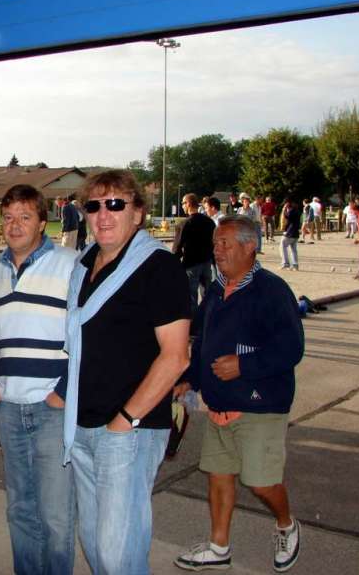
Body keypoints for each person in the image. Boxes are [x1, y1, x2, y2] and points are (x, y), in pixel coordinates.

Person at [63, 169, 191, 575]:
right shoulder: (84, 263)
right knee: (96, 544)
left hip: (128, 431)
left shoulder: (159, 268)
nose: (104, 214)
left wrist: (124, 419)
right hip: (82, 425)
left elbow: (176, 356)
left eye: (116, 204)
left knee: (118, 552)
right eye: (94, 205)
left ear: (138, 213)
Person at [174, 215, 304, 573]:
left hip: (260, 406)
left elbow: (292, 348)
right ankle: (218, 547)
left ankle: (286, 525)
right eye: (216, 244)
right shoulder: (216, 289)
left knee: (261, 483)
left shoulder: (272, 290)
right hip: (220, 405)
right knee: (218, 475)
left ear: (250, 247)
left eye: (225, 244)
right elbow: (201, 342)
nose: (217, 251)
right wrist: (190, 378)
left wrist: (243, 366)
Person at [0, 184, 77, 575]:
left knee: (55, 515)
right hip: (9, 408)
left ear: (42, 222)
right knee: (20, 509)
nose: (14, 225)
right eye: (8, 217)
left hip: (52, 409)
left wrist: (62, 392)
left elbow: (86, 335)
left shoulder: (71, 265)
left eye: (24, 217)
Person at [173, 193, 216, 313]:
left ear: (188, 204)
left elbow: (177, 246)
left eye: (183, 203)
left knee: (191, 296)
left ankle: (194, 323)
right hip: (207, 262)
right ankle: (207, 317)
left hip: (191, 264)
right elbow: (214, 242)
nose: (182, 206)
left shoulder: (185, 224)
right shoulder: (209, 222)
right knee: (207, 293)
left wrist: (174, 263)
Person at [280, 199, 300, 271]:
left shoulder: (292, 211)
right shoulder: (297, 210)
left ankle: (285, 264)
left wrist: (284, 210)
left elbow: (287, 216)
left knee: (283, 245)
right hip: (295, 233)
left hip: (291, 232)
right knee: (293, 249)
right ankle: (295, 265)